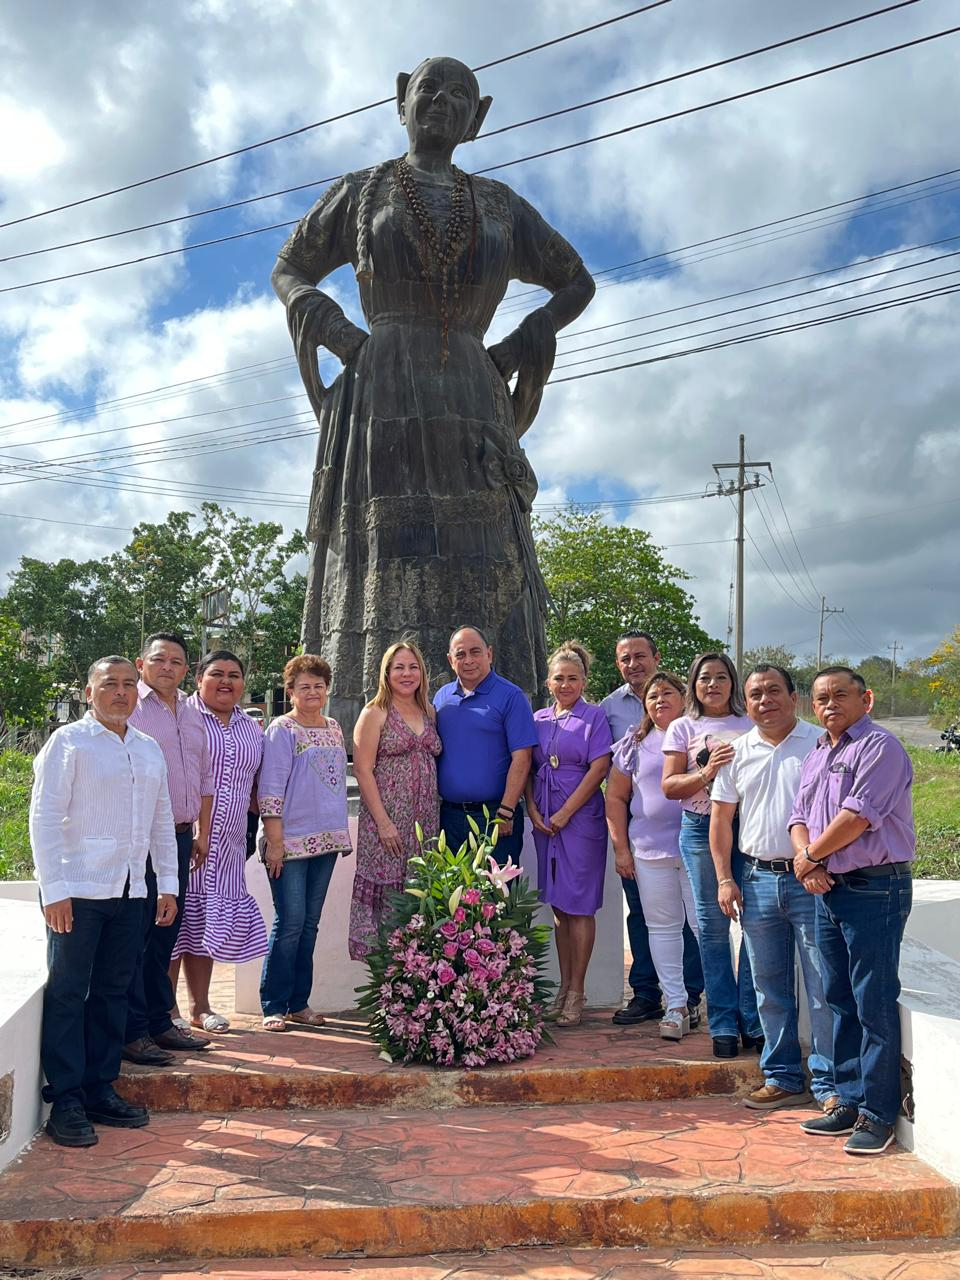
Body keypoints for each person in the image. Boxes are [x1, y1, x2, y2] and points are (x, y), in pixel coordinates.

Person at [271, 56, 595, 736]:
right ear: (401, 100)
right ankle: (361, 729)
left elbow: (575, 281)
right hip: (381, 384)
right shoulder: (363, 190)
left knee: (491, 548)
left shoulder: (500, 205)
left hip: (474, 396)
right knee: (383, 547)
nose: (443, 103)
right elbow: (290, 269)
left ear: (478, 117)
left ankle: (507, 726)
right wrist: (341, 336)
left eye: (460, 96)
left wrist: (524, 337)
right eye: (429, 90)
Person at [29, 657, 179, 1147]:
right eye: (109, 684)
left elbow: (161, 821)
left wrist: (168, 885)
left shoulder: (148, 748)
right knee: (70, 992)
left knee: (114, 992)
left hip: (132, 892)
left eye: (128, 685)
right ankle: (66, 1100)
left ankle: (99, 1087)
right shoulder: (67, 744)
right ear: (89, 692)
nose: (121, 692)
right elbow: (44, 818)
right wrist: (54, 891)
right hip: (77, 891)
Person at [789, 667, 914, 1156]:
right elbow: (798, 816)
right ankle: (848, 1099)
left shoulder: (880, 747)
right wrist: (809, 862)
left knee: (873, 1002)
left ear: (867, 698)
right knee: (837, 997)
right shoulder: (819, 751)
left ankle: (878, 1114)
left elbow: (859, 816)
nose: (830, 704)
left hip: (873, 890)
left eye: (841, 695)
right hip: (827, 887)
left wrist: (812, 858)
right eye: (821, 698)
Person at [710, 664, 833, 1109]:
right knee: (767, 984)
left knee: (822, 984)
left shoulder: (821, 743)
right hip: (757, 878)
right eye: (756, 694)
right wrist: (726, 878)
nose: (766, 700)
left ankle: (829, 1083)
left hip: (813, 880)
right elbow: (721, 819)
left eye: (774, 691)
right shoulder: (736, 751)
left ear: (794, 696)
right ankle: (781, 1075)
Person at [601, 630, 703, 1028]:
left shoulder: (699, 726)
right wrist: (620, 846)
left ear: (656, 657)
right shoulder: (611, 712)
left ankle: (691, 996)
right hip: (644, 845)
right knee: (645, 919)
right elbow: (615, 790)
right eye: (625, 658)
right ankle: (649, 993)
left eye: (640, 656)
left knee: (696, 923)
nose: (633, 664)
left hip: (694, 843)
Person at [662, 651, 760, 1058]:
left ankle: (752, 1019)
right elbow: (669, 787)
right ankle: (722, 1022)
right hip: (700, 829)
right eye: (705, 678)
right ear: (694, 684)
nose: (713, 685)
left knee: (756, 923)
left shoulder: (751, 724)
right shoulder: (682, 727)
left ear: (733, 683)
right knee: (712, 927)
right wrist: (706, 772)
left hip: (748, 830)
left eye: (722, 677)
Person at [122, 633, 213, 1066]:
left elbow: (204, 777)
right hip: (138, 838)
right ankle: (133, 1030)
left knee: (165, 932)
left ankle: (159, 1022)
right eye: (159, 659)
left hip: (178, 836)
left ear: (186, 668)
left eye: (177, 661)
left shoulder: (193, 713)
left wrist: (201, 832)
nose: (167, 667)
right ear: (142, 664)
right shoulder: (130, 708)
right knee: (136, 933)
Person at [173, 650, 267, 1032]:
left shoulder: (251, 727)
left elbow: (260, 785)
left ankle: (200, 1008)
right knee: (173, 924)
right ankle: (165, 1010)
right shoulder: (182, 716)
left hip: (228, 844)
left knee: (203, 923)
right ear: (199, 679)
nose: (226, 681)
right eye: (217, 674)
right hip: (184, 839)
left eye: (234, 675)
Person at [258, 655, 352, 1031]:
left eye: (318, 685)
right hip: (289, 840)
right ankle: (273, 1004)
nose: (312, 692)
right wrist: (275, 841)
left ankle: (300, 1002)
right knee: (289, 922)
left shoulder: (334, 727)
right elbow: (270, 786)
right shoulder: (282, 729)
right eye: (304, 686)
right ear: (291, 691)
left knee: (309, 924)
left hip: (326, 841)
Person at [526, 643, 612, 1028]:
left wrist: (563, 813)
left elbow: (599, 769)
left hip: (579, 818)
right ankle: (562, 988)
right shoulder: (539, 718)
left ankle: (578, 990)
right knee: (559, 907)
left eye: (573, 678)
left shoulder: (594, 717)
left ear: (584, 681)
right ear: (549, 681)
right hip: (545, 819)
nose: (566, 684)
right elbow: (525, 764)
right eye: (559, 678)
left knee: (580, 906)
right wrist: (532, 808)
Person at [350, 640, 441, 960]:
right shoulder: (374, 712)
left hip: (426, 826)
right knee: (387, 907)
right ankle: (387, 987)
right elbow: (362, 771)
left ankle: (414, 985)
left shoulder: (429, 711)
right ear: (386, 673)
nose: (407, 673)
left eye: (413, 667)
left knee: (418, 900)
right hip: (386, 825)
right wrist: (385, 823)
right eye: (399, 667)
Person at [434, 625, 537, 864]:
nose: (468, 660)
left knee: (496, 897)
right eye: (460, 654)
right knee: (453, 897)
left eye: (475, 652)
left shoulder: (511, 696)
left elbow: (522, 758)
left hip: (496, 817)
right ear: (451, 660)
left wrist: (506, 810)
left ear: (489, 654)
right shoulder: (441, 698)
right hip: (449, 817)